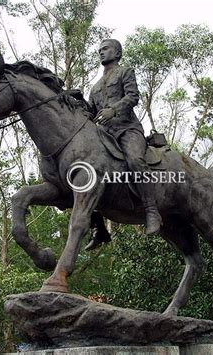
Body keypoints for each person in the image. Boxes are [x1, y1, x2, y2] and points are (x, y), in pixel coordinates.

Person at [85, 38, 162, 251]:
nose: (101, 52)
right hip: (104, 135)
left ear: (117, 53)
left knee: (136, 160)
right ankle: (98, 227)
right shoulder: (95, 87)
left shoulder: (125, 71)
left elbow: (133, 96)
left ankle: (151, 210)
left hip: (127, 129)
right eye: (99, 50)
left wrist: (114, 110)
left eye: (106, 49)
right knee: (85, 172)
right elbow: (90, 113)